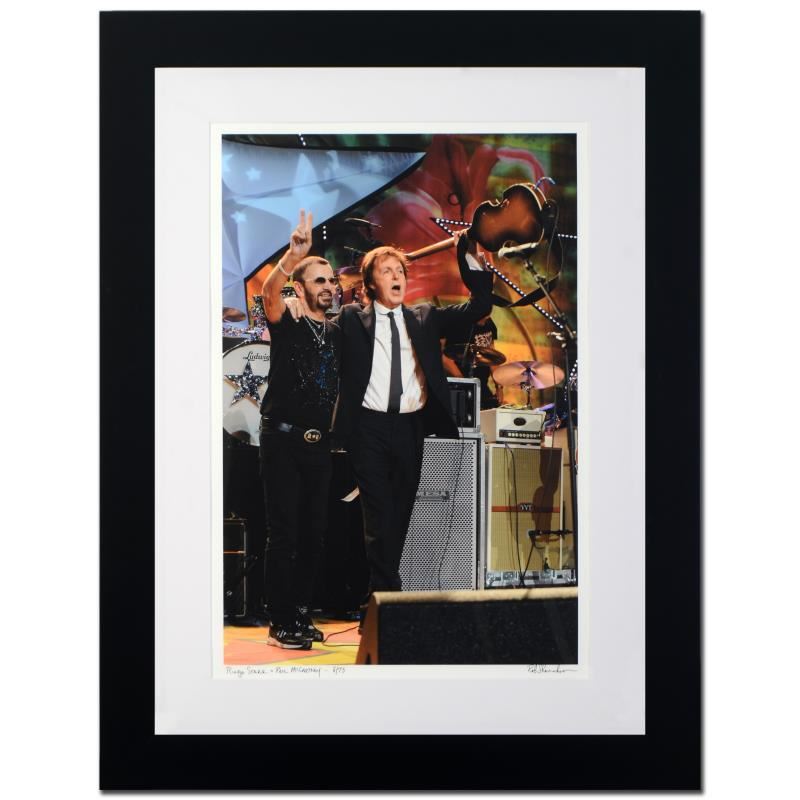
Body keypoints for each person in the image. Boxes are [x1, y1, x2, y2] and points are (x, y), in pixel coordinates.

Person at [323, 232, 493, 623]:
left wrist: (468, 256)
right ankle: (386, 599)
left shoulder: (424, 316)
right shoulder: (351, 319)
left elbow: (480, 306)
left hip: (410, 426)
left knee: (400, 512)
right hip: (367, 426)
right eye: (386, 271)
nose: (396, 276)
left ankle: (379, 596)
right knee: (378, 512)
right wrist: (296, 303)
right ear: (370, 283)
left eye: (399, 270)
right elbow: (320, 326)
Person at [259, 209, 342, 649]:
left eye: (332, 280)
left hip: (318, 444)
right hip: (283, 439)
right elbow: (269, 293)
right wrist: (292, 258)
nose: (329, 286)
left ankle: (301, 613)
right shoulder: (288, 320)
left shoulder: (338, 332)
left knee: (314, 535)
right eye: (319, 280)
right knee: (285, 534)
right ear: (301, 287)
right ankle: (280, 622)